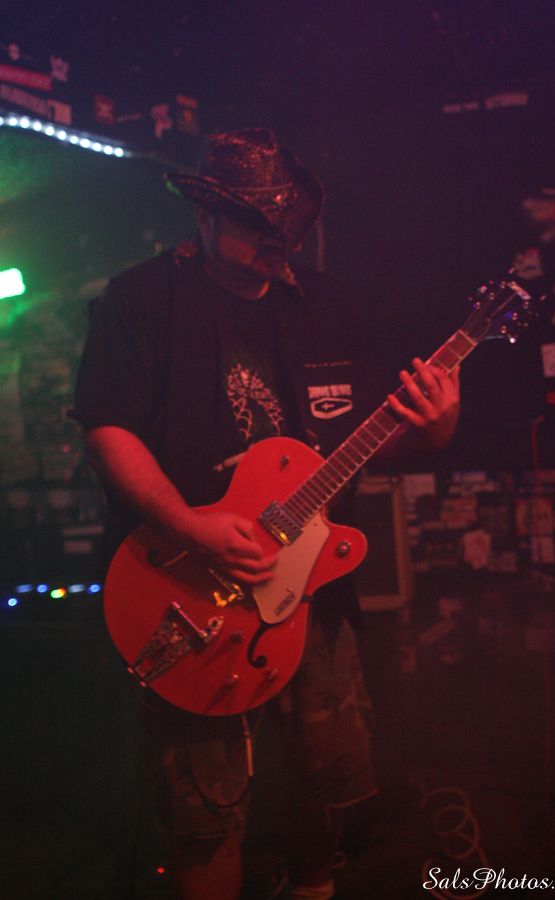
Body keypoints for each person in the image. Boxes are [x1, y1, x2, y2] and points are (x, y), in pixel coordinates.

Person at [73, 128, 460, 900]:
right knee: (204, 815)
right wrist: (190, 525)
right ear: (204, 215)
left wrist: (436, 425)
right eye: (256, 228)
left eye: (286, 231)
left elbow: (372, 444)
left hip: (313, 592)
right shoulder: (142, 300)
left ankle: (313, 887)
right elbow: (108, 429)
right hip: (190, 588)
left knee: (326, 785)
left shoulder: (327, 306)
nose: (277, 246)